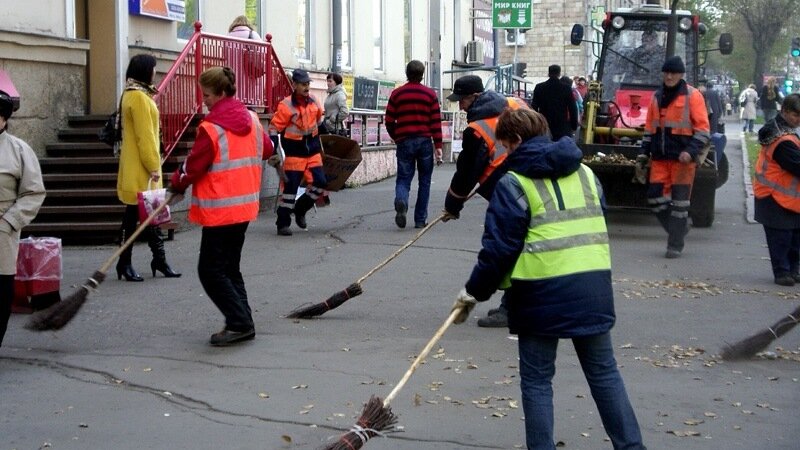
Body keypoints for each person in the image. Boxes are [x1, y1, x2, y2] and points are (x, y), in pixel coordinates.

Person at [450, 108, 646, 450]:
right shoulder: (586, 173)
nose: (506, 155)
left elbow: (498, 251)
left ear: (518, 141)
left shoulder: (514, 183)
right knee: (604, 373)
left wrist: (473, 293)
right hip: (593, 288)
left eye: (507, 147)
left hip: (540, 294)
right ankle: (631, 447)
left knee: (538, 380)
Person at [169, 67, 271, 346]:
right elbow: (269, 148)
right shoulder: (251, 118)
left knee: (211, 270)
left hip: (220, 208)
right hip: (245, 206)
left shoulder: (211, 128)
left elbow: (194, 166)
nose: (205, 101)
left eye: (208, 95)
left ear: (222, 93)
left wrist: (176, 184)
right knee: (229, 267)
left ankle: (239, 322)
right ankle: (243, 319)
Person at [443, 75, 527, 328]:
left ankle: (511, 308)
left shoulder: (477, 129)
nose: (460, 106)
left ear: (477, 97)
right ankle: (515, 305)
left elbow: (466, 173)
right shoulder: (515, 104)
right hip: (532, 179)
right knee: (522, 245)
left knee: (505, 247)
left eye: (463, 100)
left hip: (508, 189)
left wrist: (452, 205)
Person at [116, 54, 180, 282]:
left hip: (135, 166)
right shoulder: (141, 99)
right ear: (145, 71)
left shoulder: (131, 94)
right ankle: (128, 262)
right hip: (142, 169)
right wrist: (154, 166)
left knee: (150, 215)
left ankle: (155, 261)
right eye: (153, 68)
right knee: (139, 215)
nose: (155, 72)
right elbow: (146, 138)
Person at [639, 56, 710, 259]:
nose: (669, 76)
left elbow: (703, 130)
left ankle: (675, 245)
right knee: (654, 198)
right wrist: (643, 154)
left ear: (681, 75)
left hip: (682, 160)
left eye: (674, 73)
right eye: (667, 72)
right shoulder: (657, 97)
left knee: (679, 205)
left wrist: (690, 151)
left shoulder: (692, 96)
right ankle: (679, 228)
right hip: (660, 159)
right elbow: (649, 129)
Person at [0, 90, 45, 347]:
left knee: (0, 292)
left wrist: (9, 222)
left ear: (4, 119)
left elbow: (33, 192)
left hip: (3, 229)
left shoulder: (19, 150)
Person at [268, 68, 327, 236]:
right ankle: (283, 223)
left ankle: (300, 209)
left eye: (308, 84)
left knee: (320, 182)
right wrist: (273, 150)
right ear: (294, 85)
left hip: (313, 151)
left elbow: (318, 122)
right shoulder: (286, 105)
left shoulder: (314, 101)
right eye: (303, 84)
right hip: (294, 152)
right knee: (290, 189)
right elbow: (274, 128)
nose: (307, 87)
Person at [385, 60, 443, 229]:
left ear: (406, 73)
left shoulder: (397, 94)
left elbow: (388, 120)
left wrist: (396, 136)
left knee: (403, 178)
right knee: (425, 181)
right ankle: (420, 219)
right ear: (422, 74)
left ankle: (402, 201)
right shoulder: (430, 95)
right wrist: (438, 146)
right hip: (424, 141)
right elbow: (435, 122)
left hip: (404, 141)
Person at [753, 93, 800, 286]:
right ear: (785, 111)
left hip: (785, 198)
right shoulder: (783, 141)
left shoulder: (780, 130)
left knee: (794, 238)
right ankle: (782, 272)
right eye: (796, 115)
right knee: (782, 239)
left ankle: (792, 270)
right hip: (775, 197)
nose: (799, 120)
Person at [530, 65, 578, 140]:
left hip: (544, 125)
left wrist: (534, 125)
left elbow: (534, 107)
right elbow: (573, 108)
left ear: (548, 74)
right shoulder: (566, 88)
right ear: (559, 74)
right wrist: (574, 125)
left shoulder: (539, 87)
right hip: (561, 126)